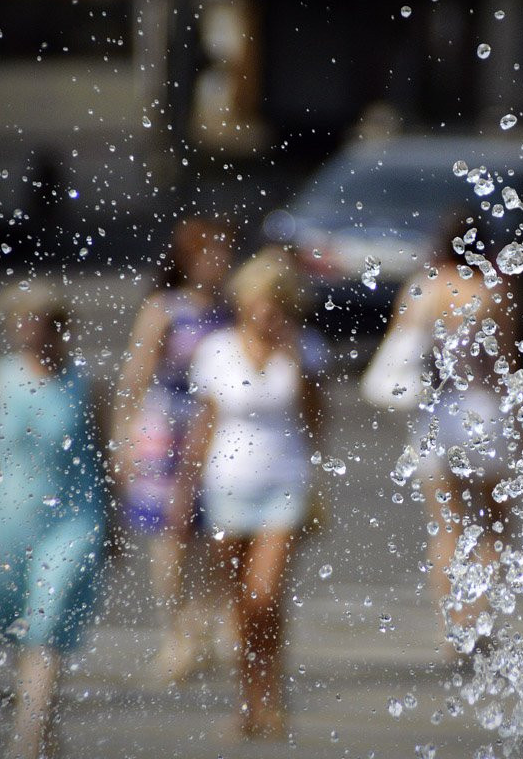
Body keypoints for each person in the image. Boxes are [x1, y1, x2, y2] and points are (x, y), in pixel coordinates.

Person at [180, 247, 324, 739]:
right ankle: (250, 701)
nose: (268, 313)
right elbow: (204, 423)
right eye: (261, 302)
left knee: (265, 593)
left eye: (277, 304)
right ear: (244, 301)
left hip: (285, 482)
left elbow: (317, 421)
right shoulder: (216, 349)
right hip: (227, 484)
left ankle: (273, 694)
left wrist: (295, 362)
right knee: (239, 605)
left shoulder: (303, 347)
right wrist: (185, 487)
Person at [0, 283, 107, 759]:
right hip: (9, 520)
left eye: (36, 321)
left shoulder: (85, 385)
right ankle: (45, 730)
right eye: (18, 322)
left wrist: (117, 529)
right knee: (19, 623)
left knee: (50, 614)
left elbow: (102, 459)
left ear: (59, 328)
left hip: (73, 521)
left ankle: (26, 737)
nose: (26, 331)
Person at [366, 211, 515, 660]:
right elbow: (503, 365)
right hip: (480, 411)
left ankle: (451, 626)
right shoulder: (491, 291)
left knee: (447, 525)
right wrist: (521, 424)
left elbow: (401, 351)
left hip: (435, 415)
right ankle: (480, 618)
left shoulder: (421, 288)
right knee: (492, 524)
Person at [111, 217, 233, 683]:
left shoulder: (229, 310)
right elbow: (136, 377)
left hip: (218, 430)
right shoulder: (165, 309)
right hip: (167, 429)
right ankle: (177, 634)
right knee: (171, 537)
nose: (217, 263)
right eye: (208, 254)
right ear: (186, 259)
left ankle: (204, 627)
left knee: (214, 533)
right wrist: (124, 439)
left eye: (223, 254)